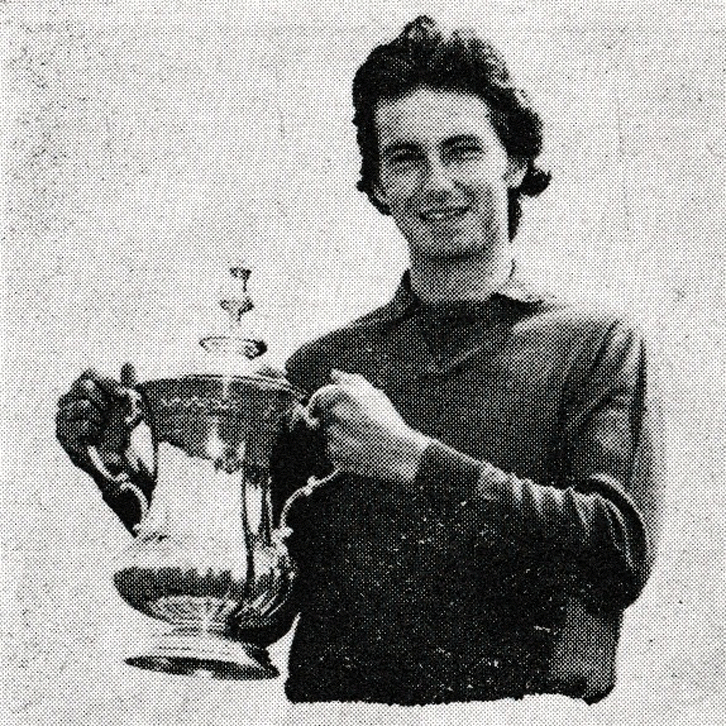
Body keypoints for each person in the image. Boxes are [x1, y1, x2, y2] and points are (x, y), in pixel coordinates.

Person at [56, 16, 664, 707]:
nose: (436, 182)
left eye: (462, 151)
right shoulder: (324, 368)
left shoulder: (595, 343)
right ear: (378, 186)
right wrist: (120, 470)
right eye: (404, 158)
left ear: (515, 164)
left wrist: (413, 459)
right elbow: (259, 603)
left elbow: (618, 556)